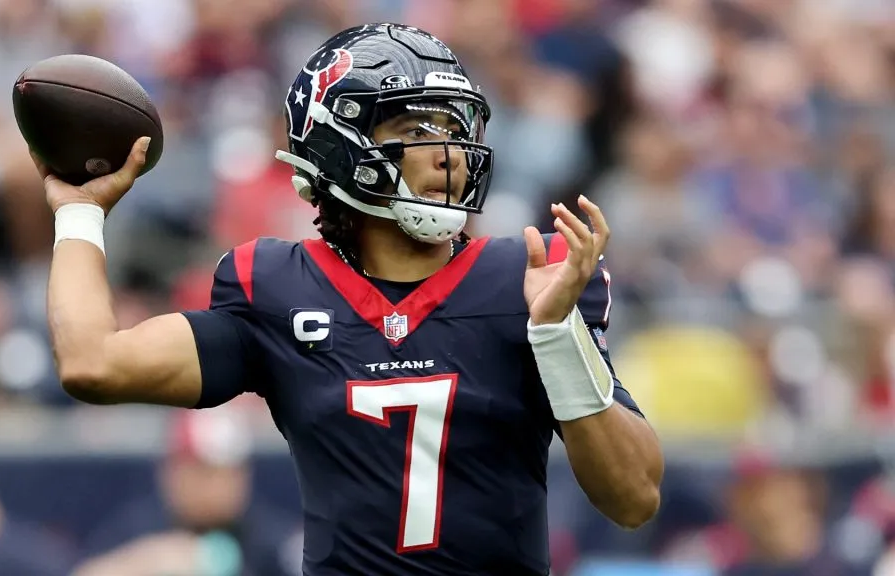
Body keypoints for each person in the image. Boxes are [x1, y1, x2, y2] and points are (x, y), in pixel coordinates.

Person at [36, 23, 664, 576]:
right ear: (339, 143)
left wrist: (557, 337)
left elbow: (633, 498)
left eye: (454, 126)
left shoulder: (527, 279)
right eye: (417, 127)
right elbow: (93, 363)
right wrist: (81, 216)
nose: (447, 152)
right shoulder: (276, 287)